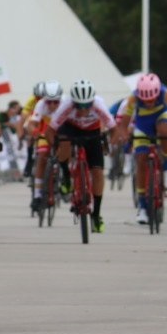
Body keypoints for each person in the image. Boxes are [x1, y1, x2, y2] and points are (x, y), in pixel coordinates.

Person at [48, 78, 114, 233]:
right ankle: (66, 176)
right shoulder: (66, 105)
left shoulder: (98, 104)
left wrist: (109, 143)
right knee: (63, 144)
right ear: (73, 102)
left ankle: (96, 215)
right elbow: (50, 131)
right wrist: (56, 148)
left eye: (86, 106)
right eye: (79, 105)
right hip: (70, 127)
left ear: (92, 101)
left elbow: (114, 129)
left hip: (92, 130)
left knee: (97, 172)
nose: (83, 110)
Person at [116, 72, 167, 226]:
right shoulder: (132, 99)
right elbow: (123, 126)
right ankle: (142, 207)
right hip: (142, 126)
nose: (149, 102)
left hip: (162, 118)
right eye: (145, 100)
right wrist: (125, 138)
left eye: (152, 99)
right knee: (141, 160)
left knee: (165, 132)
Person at [26, 80, 64, 212]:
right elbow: (31, 124)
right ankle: (37, 196)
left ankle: (65, 180)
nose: (52, 105)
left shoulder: (65, 104)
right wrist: (35, 133)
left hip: (61, 134)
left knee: (66, 154)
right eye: (49, 102)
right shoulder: (40, 104)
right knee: (42, 157)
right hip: (45, 134)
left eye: (56, 102)